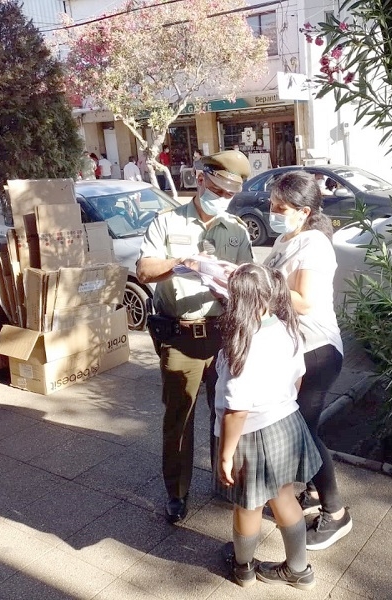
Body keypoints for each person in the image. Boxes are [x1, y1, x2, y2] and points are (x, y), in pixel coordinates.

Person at [136, 150, 254, 524]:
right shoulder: (167, 222)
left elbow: (249, 280)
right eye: (217, 189)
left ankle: (226, 482)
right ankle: (178, 492)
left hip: (224, 335)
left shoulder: (236, 228)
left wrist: (233, 284)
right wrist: (183, 262)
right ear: (200, 180)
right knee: (179, 420)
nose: (222, 199)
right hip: (181, 337)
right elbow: (143, 270)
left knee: (227, 414)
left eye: (229, 194)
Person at [216, 263, 320, 591]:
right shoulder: (287, 327)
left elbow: (237, 409)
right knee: (284, 496)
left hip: (252, 433)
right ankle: (298, 569)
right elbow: (299, 376)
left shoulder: (242, 343)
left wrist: (225, 454)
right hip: (286, 422)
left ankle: (243, 567)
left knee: (249, 505)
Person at [262, 170, 351, 551]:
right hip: (294, 350)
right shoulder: (286, 238)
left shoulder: (314, 244)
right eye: (272, 204)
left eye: (280, 207)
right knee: (304, 429)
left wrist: (254, 290)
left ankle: (336, 513)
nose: (272, 212)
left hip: (316, 351)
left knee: (305, 435)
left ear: (302, 210)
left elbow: (304, 301)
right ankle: (313, 494)